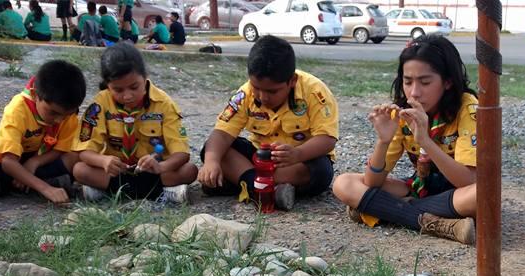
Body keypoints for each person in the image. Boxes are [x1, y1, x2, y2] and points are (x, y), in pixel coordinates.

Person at [331, 35, 477, 245]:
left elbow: (468, 181)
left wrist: (426, 141)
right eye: (408, 82)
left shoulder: (467, 108)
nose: (414, 93)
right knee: (343, 183)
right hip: (421, 187)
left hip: (458, 192)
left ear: (447, 81)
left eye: (425, 82)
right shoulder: (402, 112)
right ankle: (436, 223)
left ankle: (382, 209)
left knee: (482, 195)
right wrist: (383, 141)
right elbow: (373, 182)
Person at [198, 35, 338, 211]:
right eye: (256, 88)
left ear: (292, 81)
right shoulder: (245, 94)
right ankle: (263, 189)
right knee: (212, 150)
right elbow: (223, 133)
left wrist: (298, 153)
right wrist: (211, 162)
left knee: (321, 170)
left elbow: (327, 138)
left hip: (295, 161)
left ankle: (245, 183)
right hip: (258, 158)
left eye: (272, 92)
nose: (263, 97)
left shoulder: (315, 92)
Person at [72, 42, 197, 204]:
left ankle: (109, 191)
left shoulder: (164, 104)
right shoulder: (99, 104)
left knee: (190, 170)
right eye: (118, 90)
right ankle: (161, 192)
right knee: (80, 169)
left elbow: (181, 154)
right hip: (116, 172)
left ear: (145, 77)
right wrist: (103, 161)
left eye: (134, 87)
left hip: (153, 172)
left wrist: (160, 167)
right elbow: (84, 151)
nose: (127, 96)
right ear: (108, 85)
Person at [0, 60, 87, 205]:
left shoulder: (68, 112)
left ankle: (4, 184)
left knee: (77, 154)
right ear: (35, 95)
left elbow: (60, 149)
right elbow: (8, 162)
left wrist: (34, 162)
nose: (59, 120)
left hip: (41, 159)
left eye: (66, 115)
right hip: (11, 158)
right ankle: (42, 183)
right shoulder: (17, 109)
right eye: (53, 113)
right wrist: (46, 189)